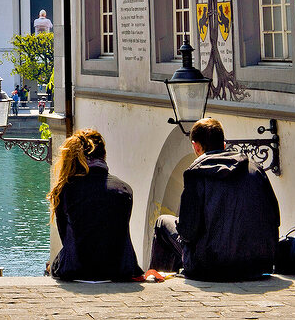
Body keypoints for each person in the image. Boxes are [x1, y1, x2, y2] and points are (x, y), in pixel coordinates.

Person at [148, 118, 279, 280]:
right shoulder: (254, 168)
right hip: (258, 263)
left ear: (196, 146)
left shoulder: (196, 173)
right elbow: (275, 216)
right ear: (223, 145)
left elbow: (187, 231)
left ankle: (159, 280)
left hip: (211, 265)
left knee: (163, 222)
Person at [48, 129, 141, 281]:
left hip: (77, 270)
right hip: (118, 270)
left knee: (55, 264)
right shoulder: (124, 189)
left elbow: (65, 236)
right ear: (104, 155)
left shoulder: (65, 190)